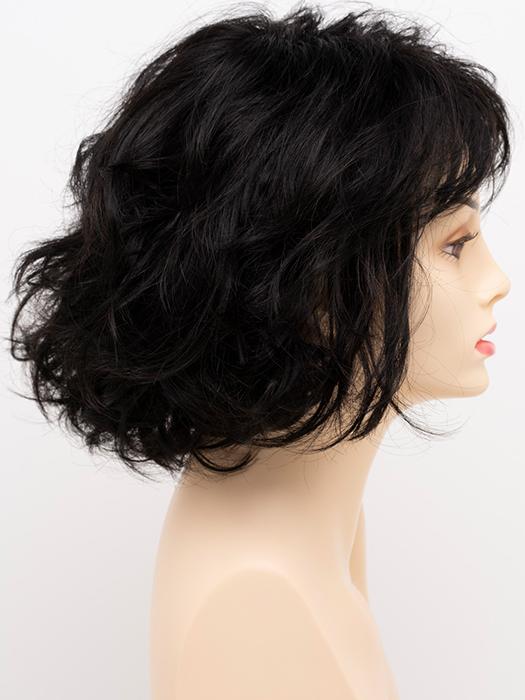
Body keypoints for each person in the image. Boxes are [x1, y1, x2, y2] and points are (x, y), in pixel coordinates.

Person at [8, 4, 513, 699]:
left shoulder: (321, 528)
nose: (497, 280)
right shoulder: (258, 593)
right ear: (309, 286)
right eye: (454, 245)